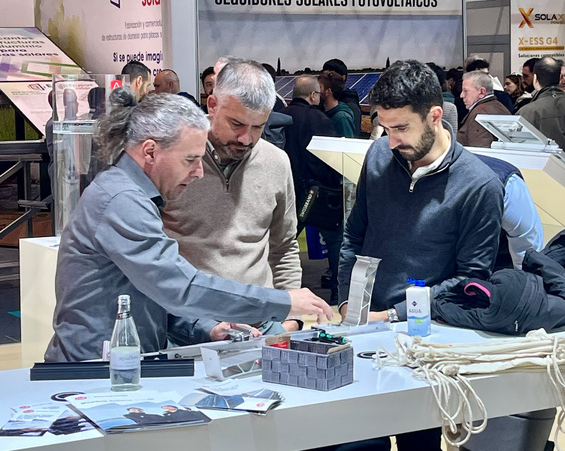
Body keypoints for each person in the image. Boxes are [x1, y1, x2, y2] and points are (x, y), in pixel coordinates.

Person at [44, 91, 332, 363]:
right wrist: (282, 302)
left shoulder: (130, 194)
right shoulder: (122, 201)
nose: (199, 172)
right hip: (94, 371)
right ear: (150, 152)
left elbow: (152, 290)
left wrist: (205, 328)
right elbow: (181, 288)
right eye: (190, 159)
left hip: (120, 361)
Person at [337, 59, 504, 449]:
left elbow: (470, 281)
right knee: (356, 442)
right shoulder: (379, 156)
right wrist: (349, 302)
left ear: (434, 117)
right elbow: (353, 236)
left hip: (426, 343)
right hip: (363, 335)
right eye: (384, 127)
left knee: (419, 444)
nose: (391, 140)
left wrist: (393, 315)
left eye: (400, 128)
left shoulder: (479, 186)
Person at [162, 61, 303, 335]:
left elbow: (284, 246)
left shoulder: (277, 163)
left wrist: (291, 319)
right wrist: (201, 326)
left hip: (264, 327)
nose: (245, 138)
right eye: (236, 123)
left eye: (258, 126)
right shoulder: (173, 159)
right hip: (187, 328)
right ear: (212, 104)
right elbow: (154, 259)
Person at [282, 75, 343, 304]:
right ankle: (339, 294)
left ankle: (285, 295)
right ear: (312, 95)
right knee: (335, 240)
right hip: (318, 195)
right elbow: (331, 159)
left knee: (284, 244)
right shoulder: (320, 119)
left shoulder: (280, 118)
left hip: (288, 193)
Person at [457, 70, 510, 148]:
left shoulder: (479, 114)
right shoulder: (499, 106)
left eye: (466, 91)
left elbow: (479, 151)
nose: (462, 95)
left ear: (482, 92)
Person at [323, 58, 362, 137]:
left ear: (343, 77)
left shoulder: (349, 106)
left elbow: (351, 138)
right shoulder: (328, 102)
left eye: (330, 75)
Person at [319, 70, 356, 138]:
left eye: (320, 87)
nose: (316, 91)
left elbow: (347, 145)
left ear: (328, 91)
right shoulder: (323, 112)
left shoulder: (342, 118)